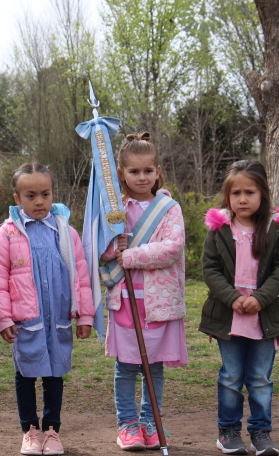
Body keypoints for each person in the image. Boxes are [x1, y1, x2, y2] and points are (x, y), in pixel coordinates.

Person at [0, 162, 94, 456]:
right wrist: (3, 318)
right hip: (26, 322)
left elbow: (80, 276)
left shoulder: (65, 232)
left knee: (55, 374)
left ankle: (52, 431)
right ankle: (30, 431)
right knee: (25, 374)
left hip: (57, 318)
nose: (39, 201)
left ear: (52, 194)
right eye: (30, 195)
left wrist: (85, 315)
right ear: (17, 198)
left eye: (45, 194)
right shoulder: (7, 234)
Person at [199, 159, 279, 456]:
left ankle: (261, 433)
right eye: (236, 193)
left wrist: (259, 298)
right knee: (231, 376)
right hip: (229, 315)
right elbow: (210, 269)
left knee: (259, 378)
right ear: (227, 196)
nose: (242, 199)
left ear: (263, 194)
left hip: (264, 315)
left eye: (250, 192)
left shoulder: (277, 229)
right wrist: (232, 298)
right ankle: (227, 432)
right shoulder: (219, 229)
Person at [99, 132, 188, 451]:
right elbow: (98, 246)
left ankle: (151, 422)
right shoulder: (113, 207)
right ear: (121, 173)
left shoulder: (169, 208)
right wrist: (112, 247)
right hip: (125, 302)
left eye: (148, 170)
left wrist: (131, 255)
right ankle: (128, 425)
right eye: (134, 171)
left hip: (158, 304)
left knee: (154, 367)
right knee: (126, 368)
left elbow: (172, 248)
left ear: (158, 171)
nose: (142, 177)